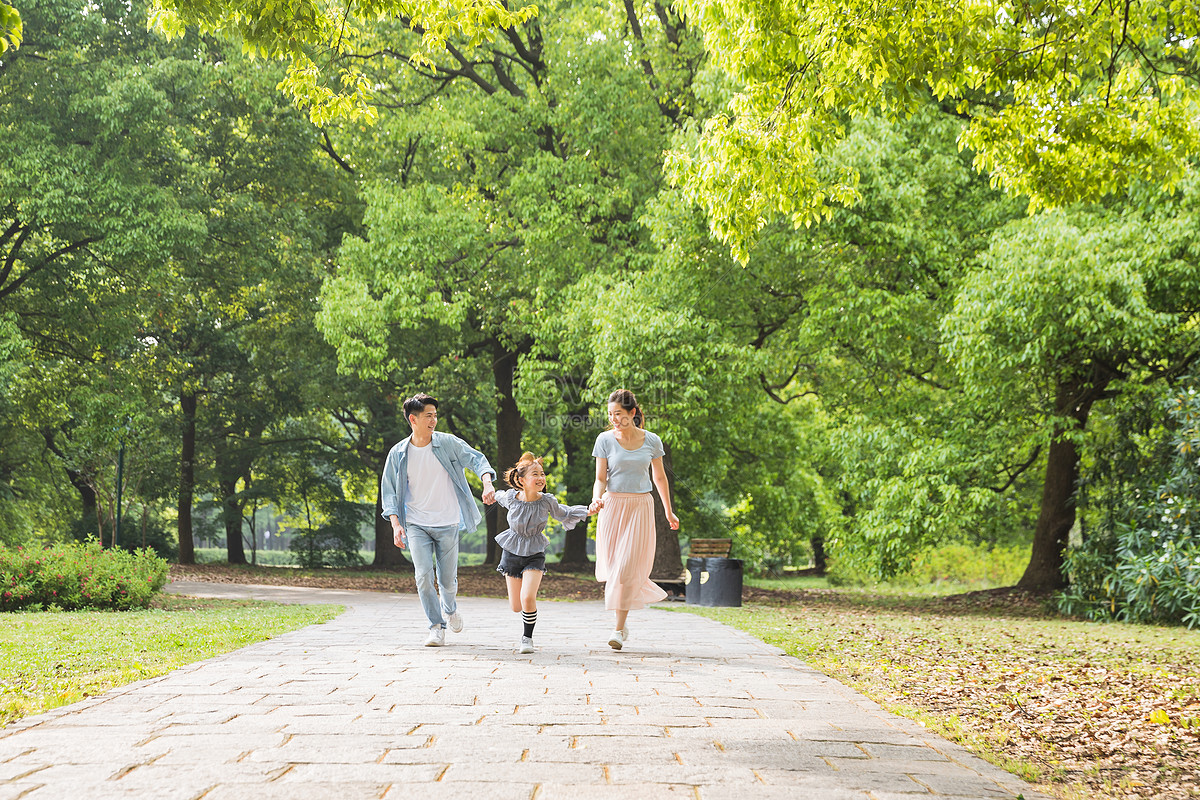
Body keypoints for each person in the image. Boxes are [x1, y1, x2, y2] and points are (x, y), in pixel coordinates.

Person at [380, 393, 497, 647]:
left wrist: (487, 482)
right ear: (413, 419)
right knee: (422, 576)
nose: (434, 420)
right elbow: (388, 492)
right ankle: (436, 626)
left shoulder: (448, 443)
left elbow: (477, 459)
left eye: (435, 415)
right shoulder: (398, 453)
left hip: (447, 522)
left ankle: (450, 608)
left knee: (446, 580)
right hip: (416, 523)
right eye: (428, 416)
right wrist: (396, 525)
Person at [591, 388, 678, 650]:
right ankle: (623, 617)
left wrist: (668, 510)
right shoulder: (604, 440)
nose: (613, 418)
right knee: (615, 567)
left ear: (632, 412)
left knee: (626, 568)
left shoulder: (652, 440)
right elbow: (600, 478)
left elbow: (659, 478)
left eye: (618, 413)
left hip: (640, 506)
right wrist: (597, 498)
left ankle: (617, 629)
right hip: (612, 506)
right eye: (610, 414)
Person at [495, 452, 597, 654]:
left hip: (535, 552)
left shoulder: (547, 501)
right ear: (522, 480)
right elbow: (497, 495)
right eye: (535, 474)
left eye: (542, 473)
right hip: (511, 552)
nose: (541, 478)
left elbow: (564, 513)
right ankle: (526, 625)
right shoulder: (510, 498)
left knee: (527, 598)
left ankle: (527, 638)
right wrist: (489, 491)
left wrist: (588, 511)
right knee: (516, 606)